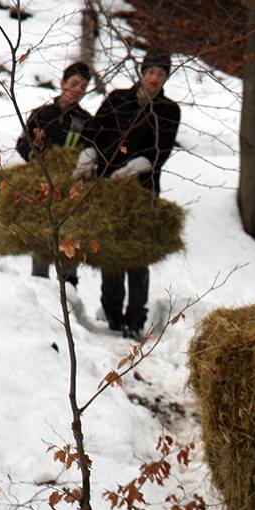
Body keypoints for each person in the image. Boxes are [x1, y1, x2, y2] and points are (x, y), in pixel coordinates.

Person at [85, 46, 181, 339]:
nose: (154, 78)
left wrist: (135, 167)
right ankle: (112, 312)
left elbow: (161, 150)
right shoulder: (118, 99)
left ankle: (135, 318)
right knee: (110, 249)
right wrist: (88, 156)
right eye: (150, 72)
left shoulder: (168, 110)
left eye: (161, 74)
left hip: (142, 189)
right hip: (106, 186)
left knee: (137, 252)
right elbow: (94, 130)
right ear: (142, 72)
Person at [15, 61, 93, 287]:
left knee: (70, 238)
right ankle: (39, 285)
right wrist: (40, 160)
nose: (78, 89)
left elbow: (90, 150)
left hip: (71, 189)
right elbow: (23, 144)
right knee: (42, 237)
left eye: (83, 86)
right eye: (74, 83)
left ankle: (69, 288)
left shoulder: (86, 120)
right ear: (62, 83)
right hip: (42, 185)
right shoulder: (42, 114)